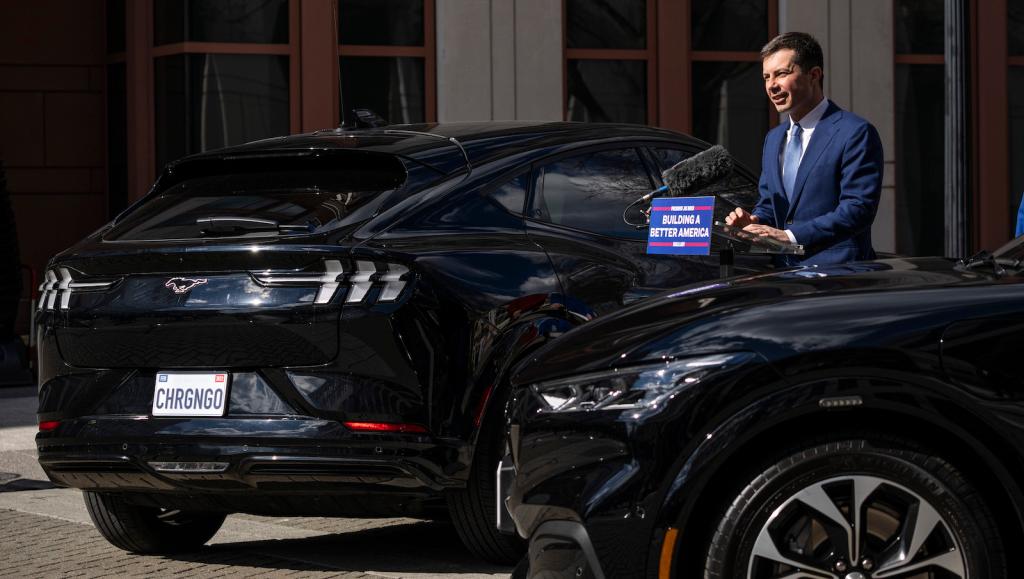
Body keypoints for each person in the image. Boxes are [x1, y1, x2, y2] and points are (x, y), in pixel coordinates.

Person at [725, 32, 883, 266]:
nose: (772, 86)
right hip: (784, 276)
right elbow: (771, 204)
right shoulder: (774, 138)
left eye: (781, 74)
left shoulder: (855, 132)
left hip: (840, 276)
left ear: (814, 75)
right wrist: (754, 221)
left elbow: (857, 210)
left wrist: (790, 237)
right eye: (766, 77)